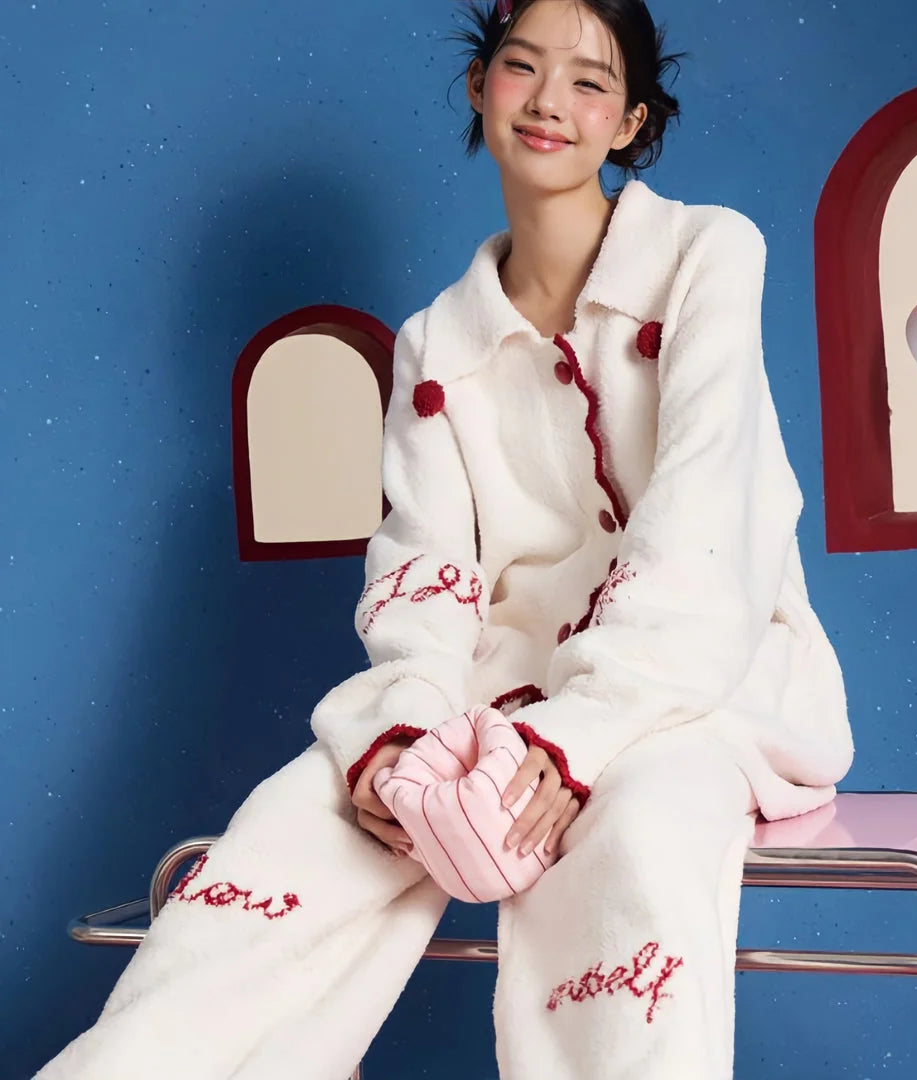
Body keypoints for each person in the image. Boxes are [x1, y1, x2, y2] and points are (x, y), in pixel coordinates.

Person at [35, 1, 853, 1077]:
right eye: (522, 66)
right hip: (492, 706)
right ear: (481, 88)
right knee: (309, 817)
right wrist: (398, 734)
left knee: (640, 833)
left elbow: (710, 512)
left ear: (631, 123)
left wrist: (579, 737)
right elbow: (424, 580)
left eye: (590, 82)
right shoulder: (434, 344)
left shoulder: (709, 254)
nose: (551, 99)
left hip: (705, 686)